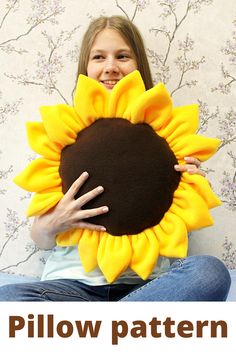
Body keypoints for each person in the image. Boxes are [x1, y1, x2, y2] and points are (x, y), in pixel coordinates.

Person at [0, 16, 231, 301]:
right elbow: (41, 239)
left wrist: (190, 189)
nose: (111, 67)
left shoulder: (169, 137)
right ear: (86, 66)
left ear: (139, 66)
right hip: (71, 290)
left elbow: (175, 228)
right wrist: (54, 222)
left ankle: (104, 329)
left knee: (209, 272)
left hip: (146, 287)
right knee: (6, 299)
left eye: (122, 56)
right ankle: (125, 329)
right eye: (99, 57)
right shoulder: (66, 132)